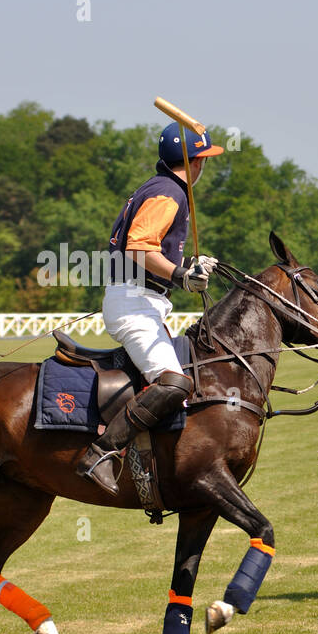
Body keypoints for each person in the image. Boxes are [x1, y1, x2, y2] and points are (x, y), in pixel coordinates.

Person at [77, 121, 222, 493]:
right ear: (190, 162)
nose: (205, 166)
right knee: (174, 383)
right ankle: (101, 453)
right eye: (203, 158)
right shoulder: (167, 193)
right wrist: (180, 276)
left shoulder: (161, 188)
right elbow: (140, 248)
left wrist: (188, 266)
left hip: (142, 300)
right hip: (135, 304)